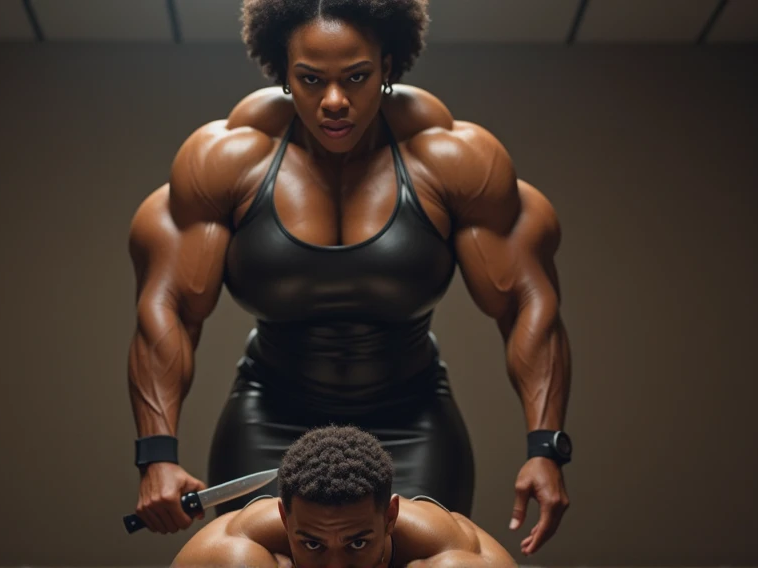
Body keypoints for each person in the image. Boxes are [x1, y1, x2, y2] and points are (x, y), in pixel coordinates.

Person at [127, 0, 572, 557]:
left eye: (356, 77)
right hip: (271, 410)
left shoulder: (453, 158)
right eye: (310, 79)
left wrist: (545, 447)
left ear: (388, 66)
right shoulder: (227, 160)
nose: (334, 101)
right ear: (282, 74)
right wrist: (157, 453)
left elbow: (525, 303)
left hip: (410, 417)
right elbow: (167, 308)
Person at [172, 425, 516, 567]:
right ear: (284, 518)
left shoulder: (454, 558)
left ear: (390, 517)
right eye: (312, 545)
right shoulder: (233, 554)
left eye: (356, 544)